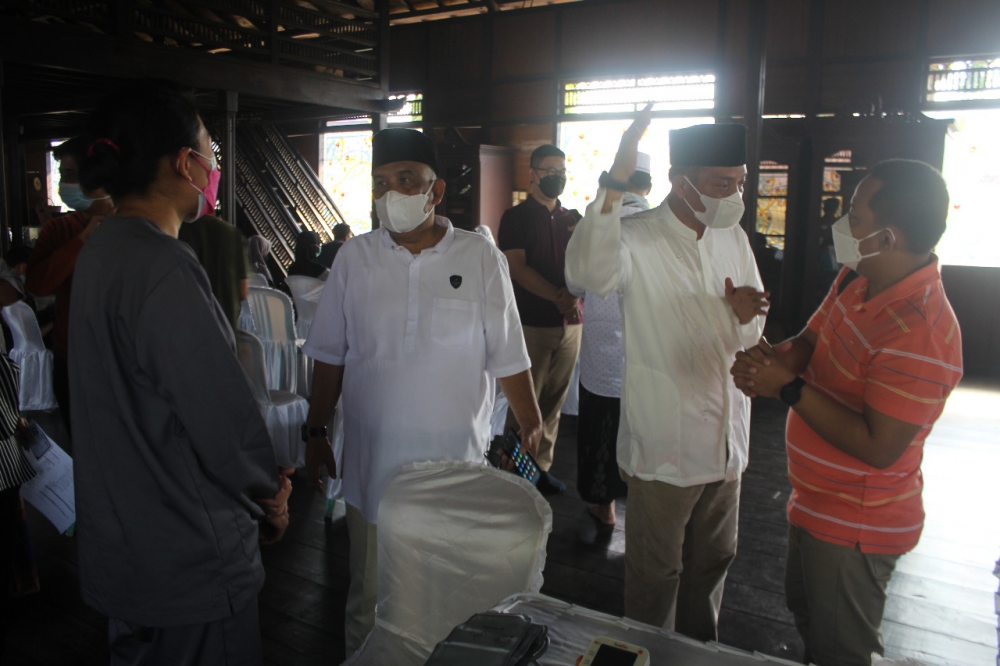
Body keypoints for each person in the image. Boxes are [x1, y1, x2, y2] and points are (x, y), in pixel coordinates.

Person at [70, 79, 291, 665]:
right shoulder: (163, 265)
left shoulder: (102, 250)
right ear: (184, 163)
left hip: (123, 542)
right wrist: (270, 490)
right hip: (187, 552)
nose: (214, 166)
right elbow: (221, 416)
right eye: (210, 154)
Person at [301, 127, 544, 656]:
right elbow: (330, 355)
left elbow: (508, 352)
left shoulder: (481, 257)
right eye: (382, 182)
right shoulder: (354, 259)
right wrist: (317, 431)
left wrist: (531, 421)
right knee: (370, 595)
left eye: (405, 179)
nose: (392, 193)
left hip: (451, 468)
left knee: (446, 595)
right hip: (374, 468)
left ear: (435, 191)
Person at [731, 160, 962, 665]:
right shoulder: (857, 280)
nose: (841, 225)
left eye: (854, 216)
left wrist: (786, 388)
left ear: (886, 237)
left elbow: (879, 447)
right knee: (810, 618)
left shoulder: (917, 330)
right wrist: (767, 360)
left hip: (856, 522)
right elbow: (809, 342)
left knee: (841, 650)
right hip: (816, 499)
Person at [565, 108, 769, 642]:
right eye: (721, 184)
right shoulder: (637, 237)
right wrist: (613, 182)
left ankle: (701, 651)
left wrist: (748, 316)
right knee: (657, 574)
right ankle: (650, 652)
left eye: (740, 183)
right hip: (667, 441)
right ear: (682, 184)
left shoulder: (733, 235)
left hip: (728, 437)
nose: (734, 194)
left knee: (714, 560)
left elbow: (751, 326)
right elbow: (584, 271)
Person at [571, 153, 652, 529]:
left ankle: (603, 508)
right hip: (650, 356)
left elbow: (574, 283)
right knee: (646, 433)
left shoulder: (594, 224)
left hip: (601, 357)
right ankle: (648, 509)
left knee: (600, 431)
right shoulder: (662, 226)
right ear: (649, 187)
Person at [497, 144, 582, 495]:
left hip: (571, 325)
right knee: (524, 406)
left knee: (553, 404)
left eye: (562, 172)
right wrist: (558, 296)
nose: (557, 177)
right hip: (531, 323)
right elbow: (516, 267)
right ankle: (514, 471)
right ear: (532, 174)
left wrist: (574, 295)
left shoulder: (575, 219)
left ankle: (540, 468)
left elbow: (588, 265)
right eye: (550, 171)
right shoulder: (515, 218)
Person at [26, 136, 115, 436]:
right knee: (80, 445)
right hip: (70, 356)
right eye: (63, 175)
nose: (65, 183)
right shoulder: (59, 230)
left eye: (71, 175)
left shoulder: (131, 225)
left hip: (117, 358)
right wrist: (81, 241)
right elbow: (38, 284)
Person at [178, 214, 250, 333]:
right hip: (224, 329)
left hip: (187, 328)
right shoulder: (231, 233)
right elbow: (242, 292)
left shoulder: (178, 231)